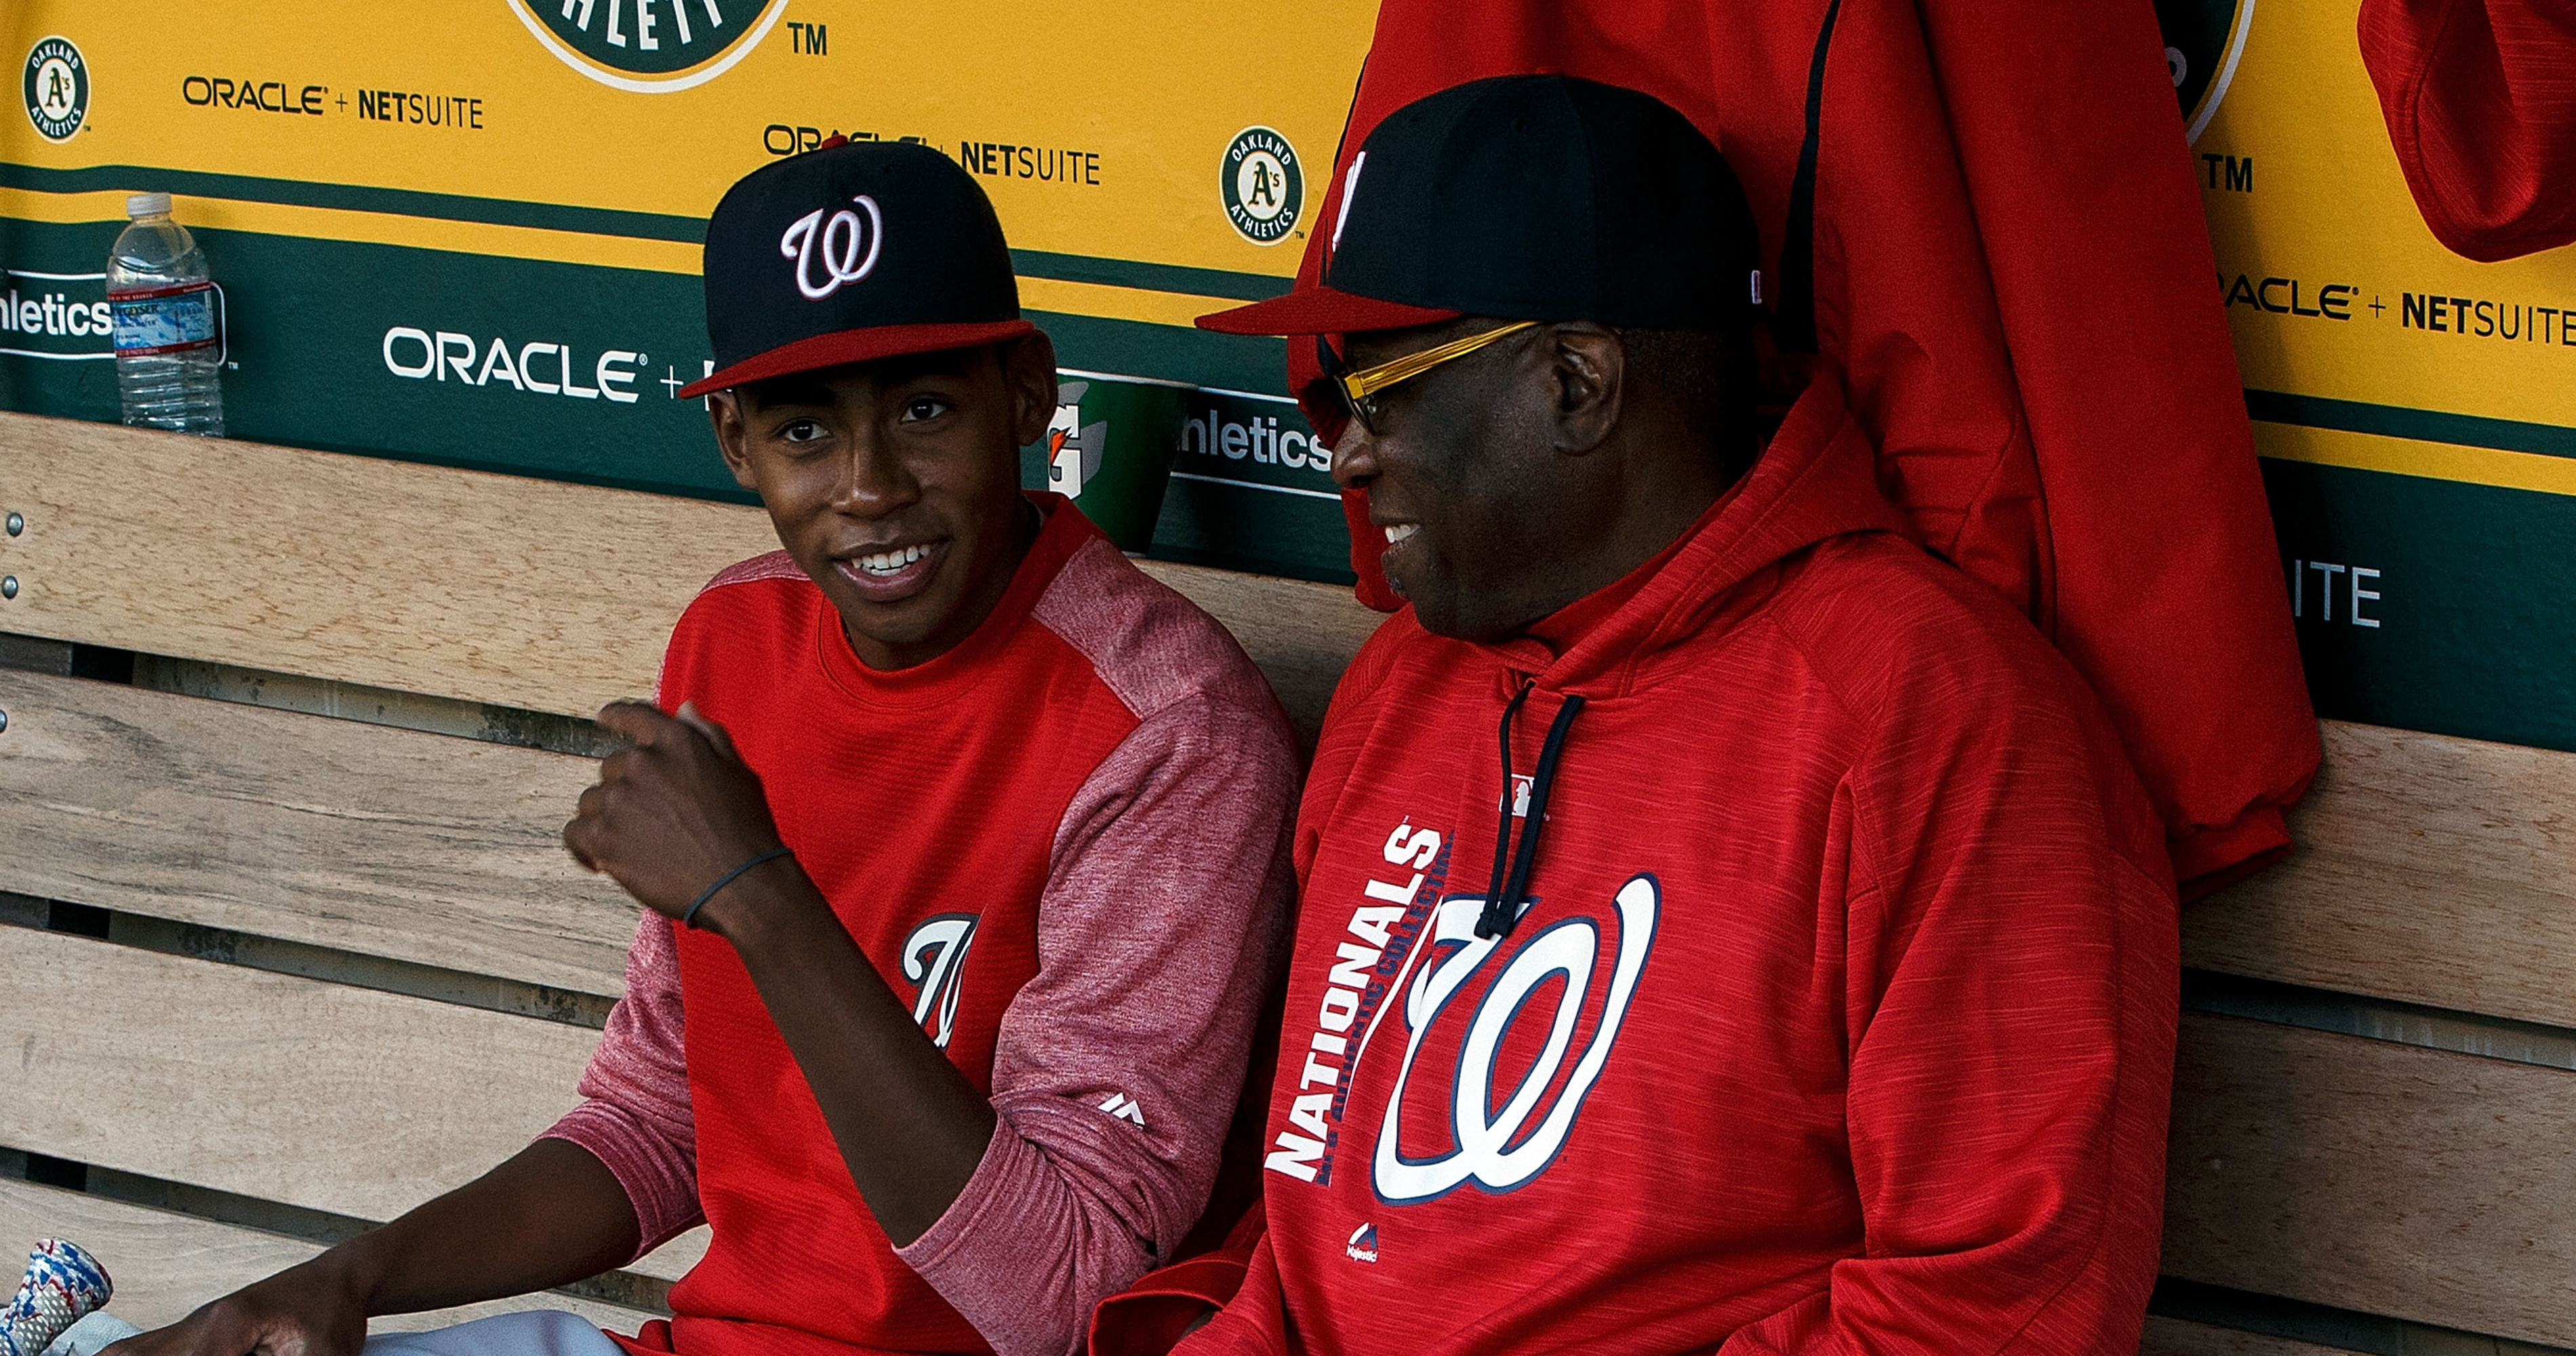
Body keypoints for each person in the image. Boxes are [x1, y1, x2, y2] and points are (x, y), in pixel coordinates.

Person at [110, 140, 1299, 1356]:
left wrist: (755, 894)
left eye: (926, 409)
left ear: (1028, 395)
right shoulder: (737, 637)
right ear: (736, 441)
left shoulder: (1168, 734)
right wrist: (344, 1282)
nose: (872, 485)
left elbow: (1062, 1287)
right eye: (803, 431)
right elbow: (658, 1119)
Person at [1159, 75, 2181, 1353]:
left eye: (1381, 390)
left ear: (1579, 382)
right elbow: (1306, 1227)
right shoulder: (1407, 690)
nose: (1347, 454)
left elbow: (1997, 1307)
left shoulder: (1923, 715)